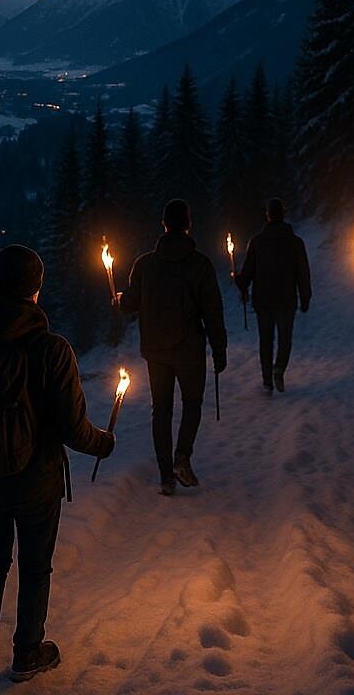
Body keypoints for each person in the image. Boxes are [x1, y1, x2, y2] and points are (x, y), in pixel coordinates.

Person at [0, 244, 115, 695]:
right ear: (37, 288)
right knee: (35, 566)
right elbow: (73, 427)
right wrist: (103, 444)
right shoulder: (51, 349)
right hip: (37, 481)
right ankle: (28, 652)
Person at [115, 199, 227, 496]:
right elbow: (212, 311)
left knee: (161, 411)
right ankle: (182, 456)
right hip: (190, 350)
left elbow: (131, 304)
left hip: (156, 351)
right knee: (192, 404)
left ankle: (166, 476)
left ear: (163, 225)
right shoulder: (200, 264)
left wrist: (118, 301)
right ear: (188, 224)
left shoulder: (145, 264)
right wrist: (219, 349)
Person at [234, 198, 311, 393]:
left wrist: (240, 281)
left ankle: (267, 380)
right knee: (285, 338)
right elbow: (302, 272)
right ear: (283, 214)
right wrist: (305, 296)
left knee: (266, 340)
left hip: (264, 300)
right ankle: (279, 368)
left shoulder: (257, 242)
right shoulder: (295, 243)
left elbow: (248, 272)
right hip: (286, 300)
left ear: (267, 215)